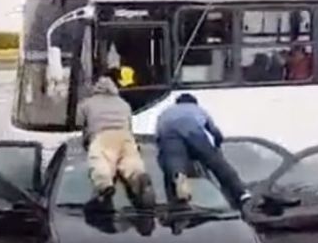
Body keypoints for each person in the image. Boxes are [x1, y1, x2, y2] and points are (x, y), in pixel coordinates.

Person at [155, 94, 250, 207]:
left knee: (175, 163)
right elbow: (213, 131)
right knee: (217, 164)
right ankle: (241, 192)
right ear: (194, 102)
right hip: (193, 132)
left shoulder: (165, 113)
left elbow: (158, 136)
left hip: (168, 134)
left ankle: (179, 181)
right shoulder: (198, 110)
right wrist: (217, 146)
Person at [76, 76, 154, 207]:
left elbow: (80, 124)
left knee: (100, 162)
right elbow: (129, 126)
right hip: (125, 136)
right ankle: (138, 176)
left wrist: (86, 140)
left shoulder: (87, 104)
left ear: (96, 89)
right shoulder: (124, 104)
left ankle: (105, 185)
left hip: (102, 136)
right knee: (131, 162)